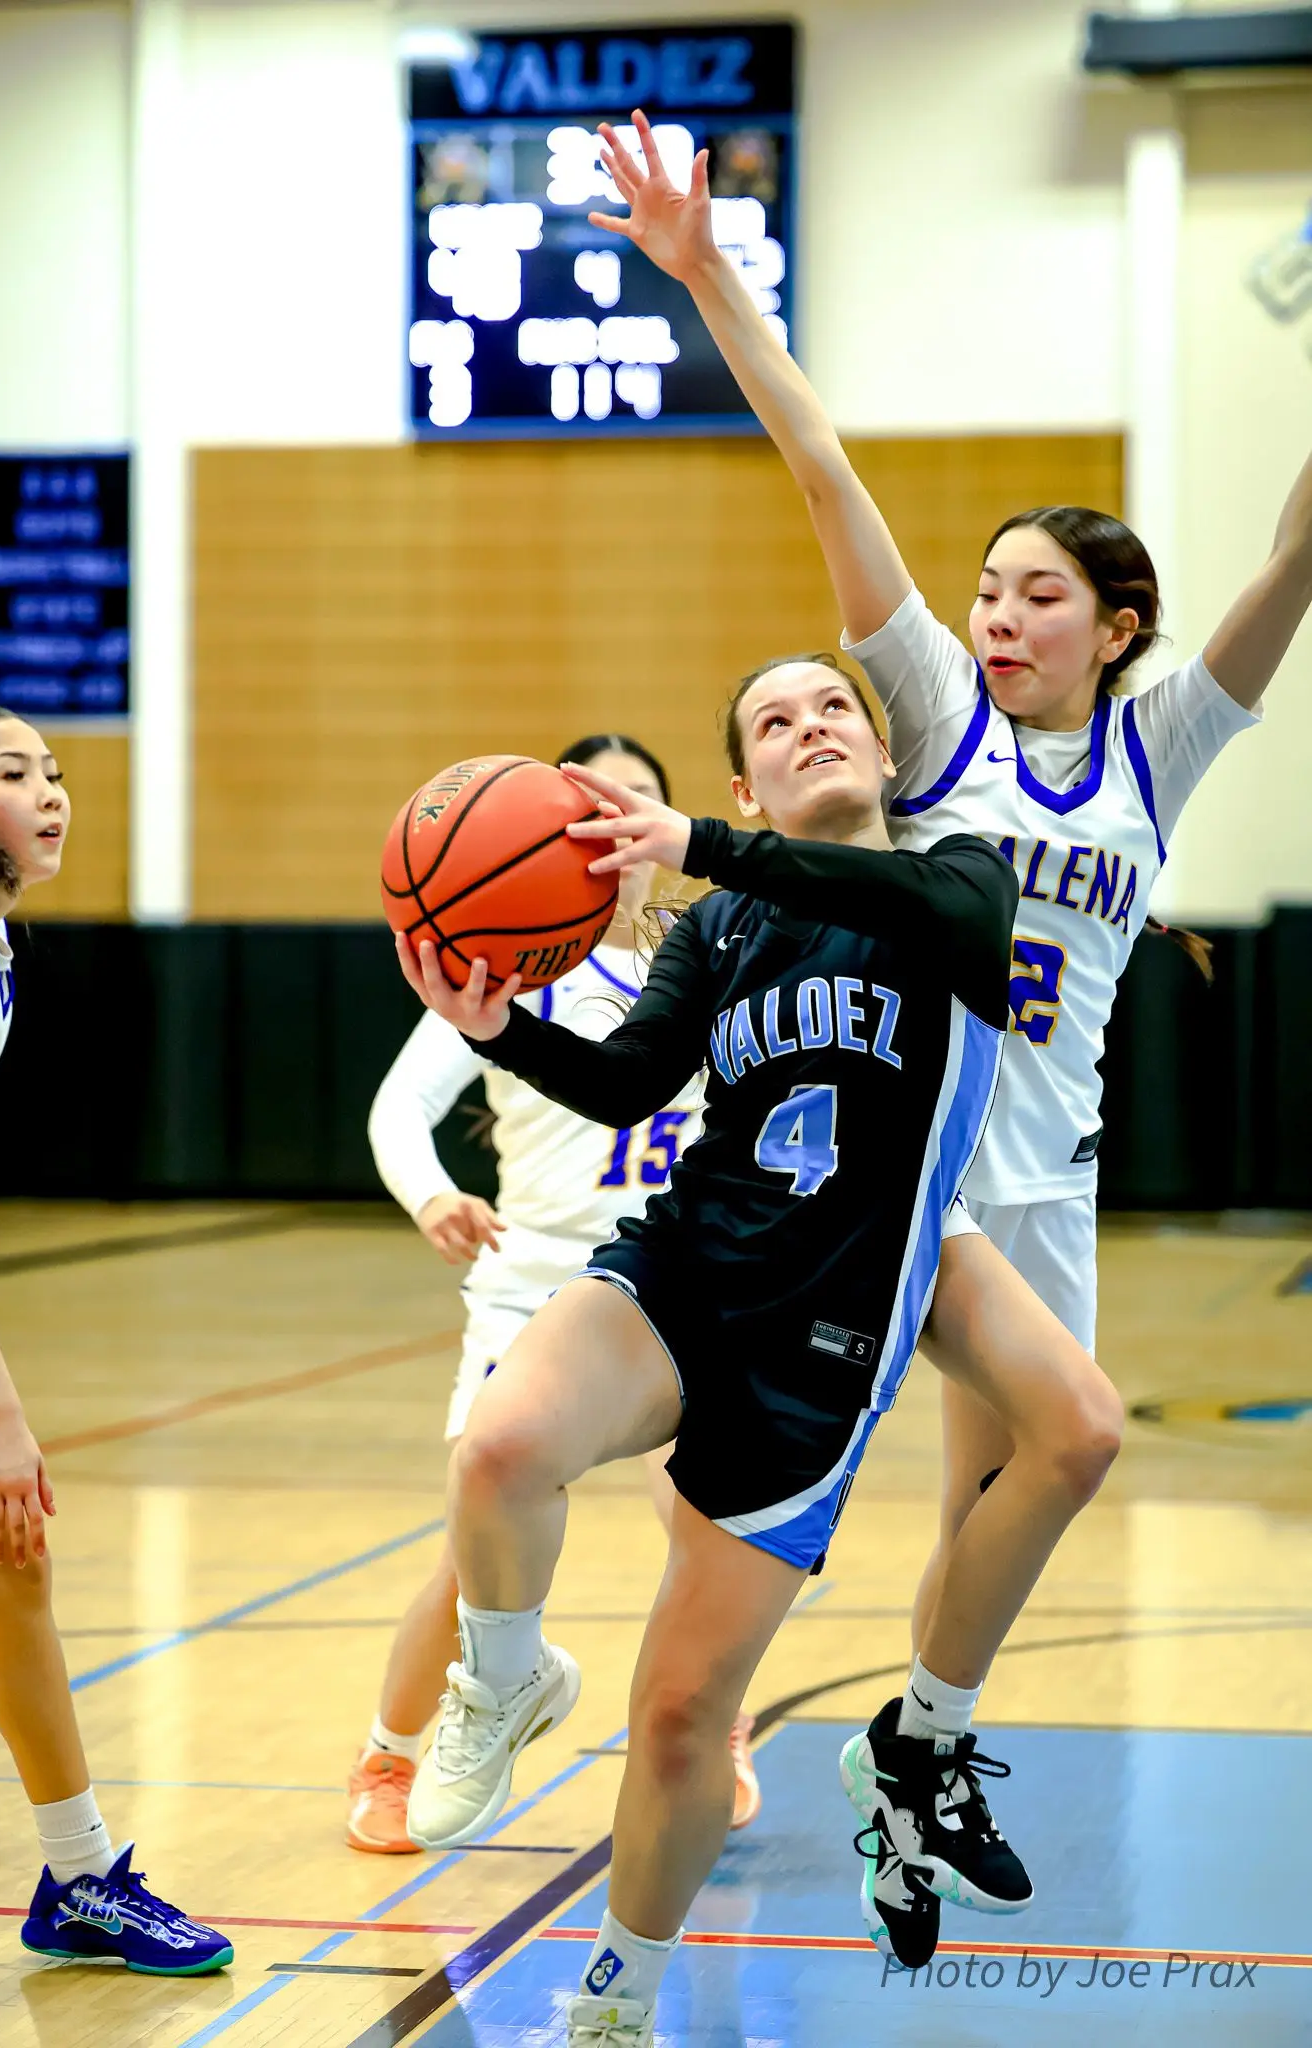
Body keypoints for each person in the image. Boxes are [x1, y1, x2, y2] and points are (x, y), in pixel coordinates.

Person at [590, 111, 1310, 1710]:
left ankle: (917, 1742)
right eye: (985, 588)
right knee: (1024, 1440)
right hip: (912, 1156)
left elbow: (1294, 558)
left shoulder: (1161, 740)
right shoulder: (933, 714)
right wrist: (707, 273)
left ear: (1116, 627)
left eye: (1036, 593)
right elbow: (820, 463)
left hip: (1048, 1172)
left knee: (993, 1501)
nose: (995, 614)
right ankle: (870, 1721)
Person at [390, 651, 1122, 2043]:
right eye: (773, 724)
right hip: (683, 1265)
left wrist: (704, 847)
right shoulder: (717, 926)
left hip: (822, 1341)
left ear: (881, 752)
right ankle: (505, 1675)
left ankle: (616, 1999)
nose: (810, 728)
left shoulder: (955, 875)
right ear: (746, 780)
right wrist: (506, 1031)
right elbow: (626, 1083)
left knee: (679, 1721)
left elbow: (916, 901)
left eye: (832, 707)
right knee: (499, 1446)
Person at [347, 735, 765, 1852]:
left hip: (678, 1283)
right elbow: (398, 1112)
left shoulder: (713, 954)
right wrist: (433, 1193)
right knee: (471, 1545)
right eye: (586, 810)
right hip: (536, 1282)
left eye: (632, 806)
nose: (607, 832)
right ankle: (393, 1749)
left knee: (709, 1532)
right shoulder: (505, 965)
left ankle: (707, 1730)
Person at [0, 704, 232, 1974]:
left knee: (7, 1550)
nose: (51, 791)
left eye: (56, 770)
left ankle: (78, 1879)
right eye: (13, 772)